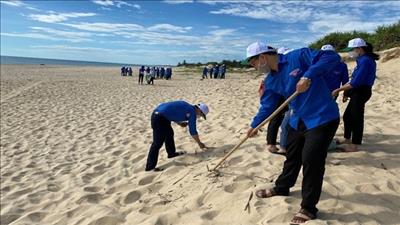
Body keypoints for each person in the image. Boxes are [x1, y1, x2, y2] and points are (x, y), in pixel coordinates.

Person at [243, 41, 341, 224]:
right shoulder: (270, 80)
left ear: (262, 57)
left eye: (252, 62)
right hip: (299, 120)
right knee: (292, 154)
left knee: (311, 159)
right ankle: (282, 187)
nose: (252, 66)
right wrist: (254, 125)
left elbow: (331, 57)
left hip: (322, 117)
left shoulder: (298, 56)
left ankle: (309, 208)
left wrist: (308, 75)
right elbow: (267, 106)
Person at [332, 38, 379, 152]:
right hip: (357, 91)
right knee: (348, 116)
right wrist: (346, 92)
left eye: (351, 49)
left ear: (359, 49)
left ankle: (355, 144)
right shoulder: (361, 59)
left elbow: (355, 82)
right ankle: (347, 139)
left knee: (357, 117)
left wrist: (338, 90)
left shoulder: (366, 61)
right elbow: (353, 80)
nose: (350, 52)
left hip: (362, 91)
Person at [145, 101, 209, 171]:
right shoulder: (192, 113)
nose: (199, 116)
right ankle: (150, 167)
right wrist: (199, 143)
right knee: (157, 143)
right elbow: (193, 131)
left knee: (169, 134)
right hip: (159, 119)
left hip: (161, 116)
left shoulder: (187, 106)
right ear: (199, 110)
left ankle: (171, 153)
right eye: (201, 115)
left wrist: (179, 123)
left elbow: (172, 111)